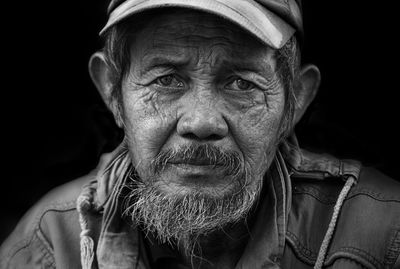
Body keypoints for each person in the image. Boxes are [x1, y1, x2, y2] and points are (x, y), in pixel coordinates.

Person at [1, 0, 399, 268]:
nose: (202, 122)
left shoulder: (384, 232)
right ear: (112, 91)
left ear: (294, 101)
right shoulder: (55, 241)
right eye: (167, 79)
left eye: (242, 83)